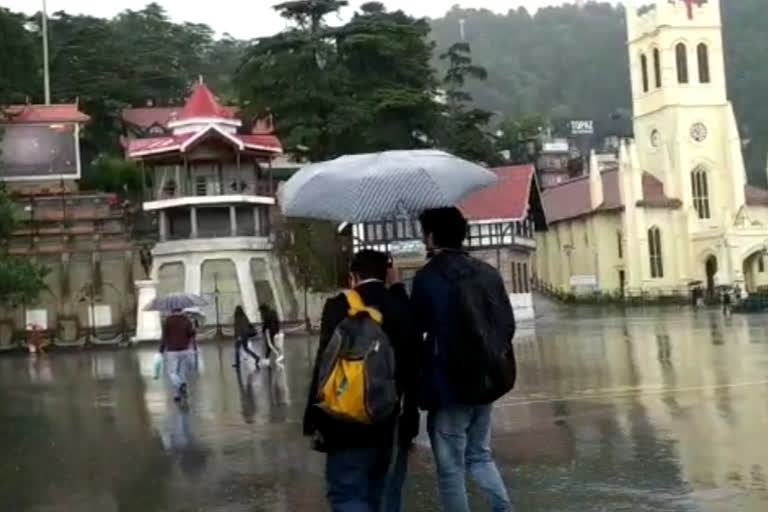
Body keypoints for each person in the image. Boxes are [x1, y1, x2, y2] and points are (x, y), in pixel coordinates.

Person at [412, 207, 514, 512]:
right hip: (487, 380)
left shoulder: (428, 277)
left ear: (430, 236)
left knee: (450, 468)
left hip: (448, 387)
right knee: (480, 455)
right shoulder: (488, 272)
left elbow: (417, 327)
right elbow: (506, 324)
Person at [303, 250, 420, 512]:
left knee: (347, 494)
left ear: (353, 276)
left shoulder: (338, 306)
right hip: (392, 419)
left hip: (344, 421)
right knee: (386, 496)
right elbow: (414, 368)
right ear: (386, 275)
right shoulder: (401, 306)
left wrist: (314, 420)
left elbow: (325, 365)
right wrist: (410, 423)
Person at [160, 308, 196, 402]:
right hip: (185, 350)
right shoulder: (186, 319)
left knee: (172, 372)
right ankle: (178, 394)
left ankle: (180, 386)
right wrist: (194, 328)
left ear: (171, 310)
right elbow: (190, 334)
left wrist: (161, 349)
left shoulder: (167, 320)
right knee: (181, 372)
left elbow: (164, 336)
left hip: (172, 350)